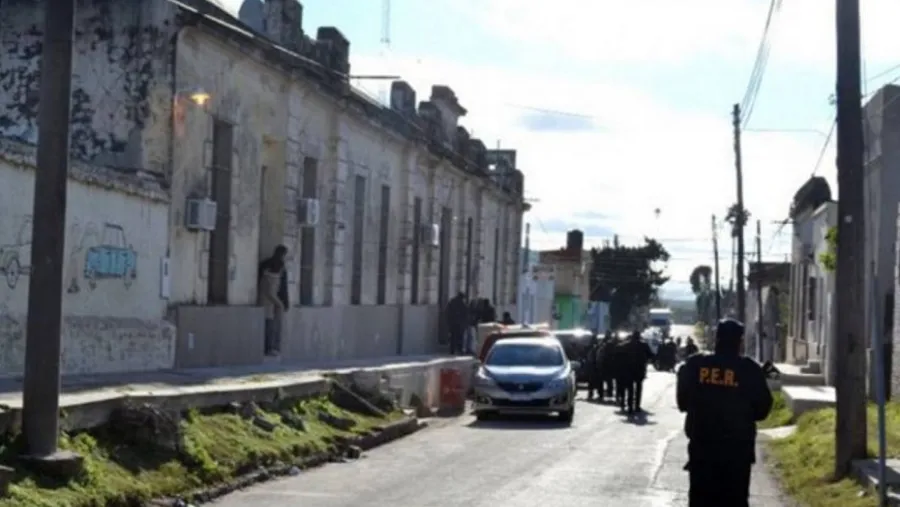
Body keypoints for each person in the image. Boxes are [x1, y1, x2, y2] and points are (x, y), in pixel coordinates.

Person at [677, 318, 773, 507]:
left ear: (716, 339)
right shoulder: (750, 369)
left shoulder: (696, 364)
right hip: (737, 453)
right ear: (740, 342)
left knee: (700, 499)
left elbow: (682, 402)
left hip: (702, 449)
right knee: (735, 500)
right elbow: (763, 409)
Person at [258, 245, 289, 357]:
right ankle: (270, 348)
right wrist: (281, 303)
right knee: (271, 326)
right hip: (271, 302)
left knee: (271, 326)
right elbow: (274, 290)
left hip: (270, 302)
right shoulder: (274, 274)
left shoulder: (265, 266)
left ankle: (271, 347)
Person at [623, 330, 654, 414]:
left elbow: (619, 355)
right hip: (640, 369)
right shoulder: (644, 345)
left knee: (630, 388)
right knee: (638, 388)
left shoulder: (626, 345)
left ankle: (630, 406)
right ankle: (637, 406)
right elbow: (650, 355)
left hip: (629, 369)